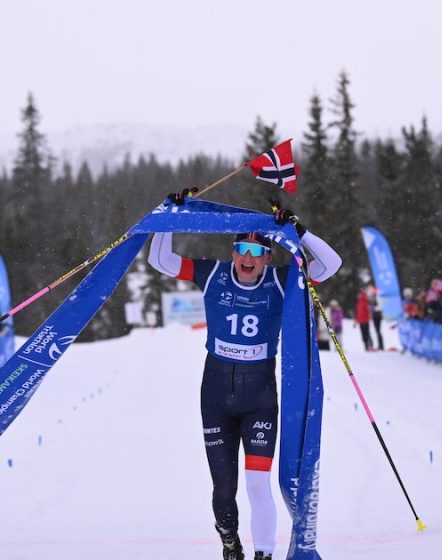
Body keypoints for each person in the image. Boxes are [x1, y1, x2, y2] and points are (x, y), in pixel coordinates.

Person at [148, 191, 342, 560]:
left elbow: (330, 265)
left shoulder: (282, 280)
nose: (247, 260)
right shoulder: (213, 273)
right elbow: (161, 259)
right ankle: (229, 540)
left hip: (260, 398)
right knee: (223, 489)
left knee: (257, 484)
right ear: (233, 252)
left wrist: (299, 231)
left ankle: (263, 554)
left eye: (256, 254)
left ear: (268, 258)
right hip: (216, 394)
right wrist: (169, 216)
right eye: (241, 251)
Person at [367, 286, 384, 350]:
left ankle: (381, 345)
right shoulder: (372, 298)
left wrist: (373, 308)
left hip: (378, 316)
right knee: (377, 331)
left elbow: (380, 306)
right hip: (375, 316)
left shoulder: (377, 297)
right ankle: (380, 345)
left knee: (378, 331)